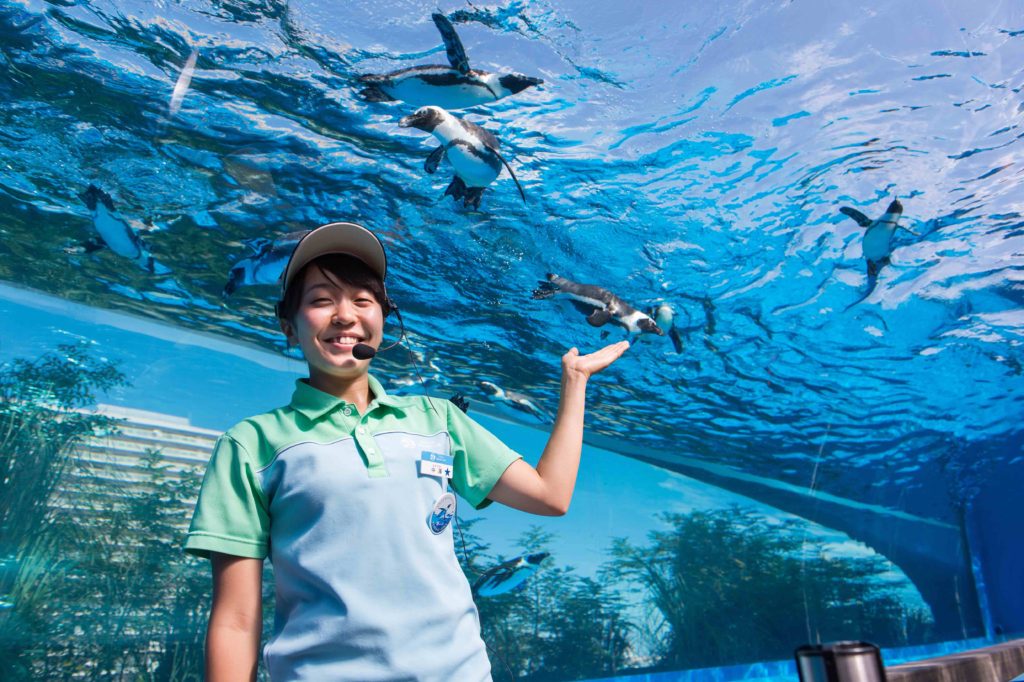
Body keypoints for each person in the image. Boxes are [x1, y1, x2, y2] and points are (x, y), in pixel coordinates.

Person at [184, 221, 629, 681]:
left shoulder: (438, 419)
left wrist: (574, 383)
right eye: (320, 300)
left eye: (362, 300)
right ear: (289, 328)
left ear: (384, 318)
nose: (344, 315)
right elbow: (236, 621)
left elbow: (549, 495)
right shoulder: (249, 445)